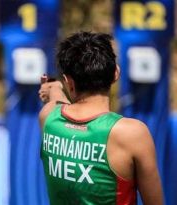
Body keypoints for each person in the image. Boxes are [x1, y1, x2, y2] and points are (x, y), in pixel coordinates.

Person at [38, 31, 163, 205]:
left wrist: (55, 87)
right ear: (116, 73)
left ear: (69, 82)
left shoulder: (48, 117)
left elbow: (57, 101)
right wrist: (57, 88)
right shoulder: (132, 134)